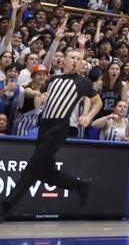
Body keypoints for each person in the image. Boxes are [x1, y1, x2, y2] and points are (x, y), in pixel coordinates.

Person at [0, 48, 99, 221]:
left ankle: (5, 207)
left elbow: (98, 101)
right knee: (45, 172)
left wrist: (88, 116)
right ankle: (80, 185)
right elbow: (40, 102)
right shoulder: (53, 79)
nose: (75, 60)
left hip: (58, 128)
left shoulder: (83, 82)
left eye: (79, 58)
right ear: (64, 60)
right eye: (72, 57)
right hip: (43, 125)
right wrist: (40, 99)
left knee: (32, 168)